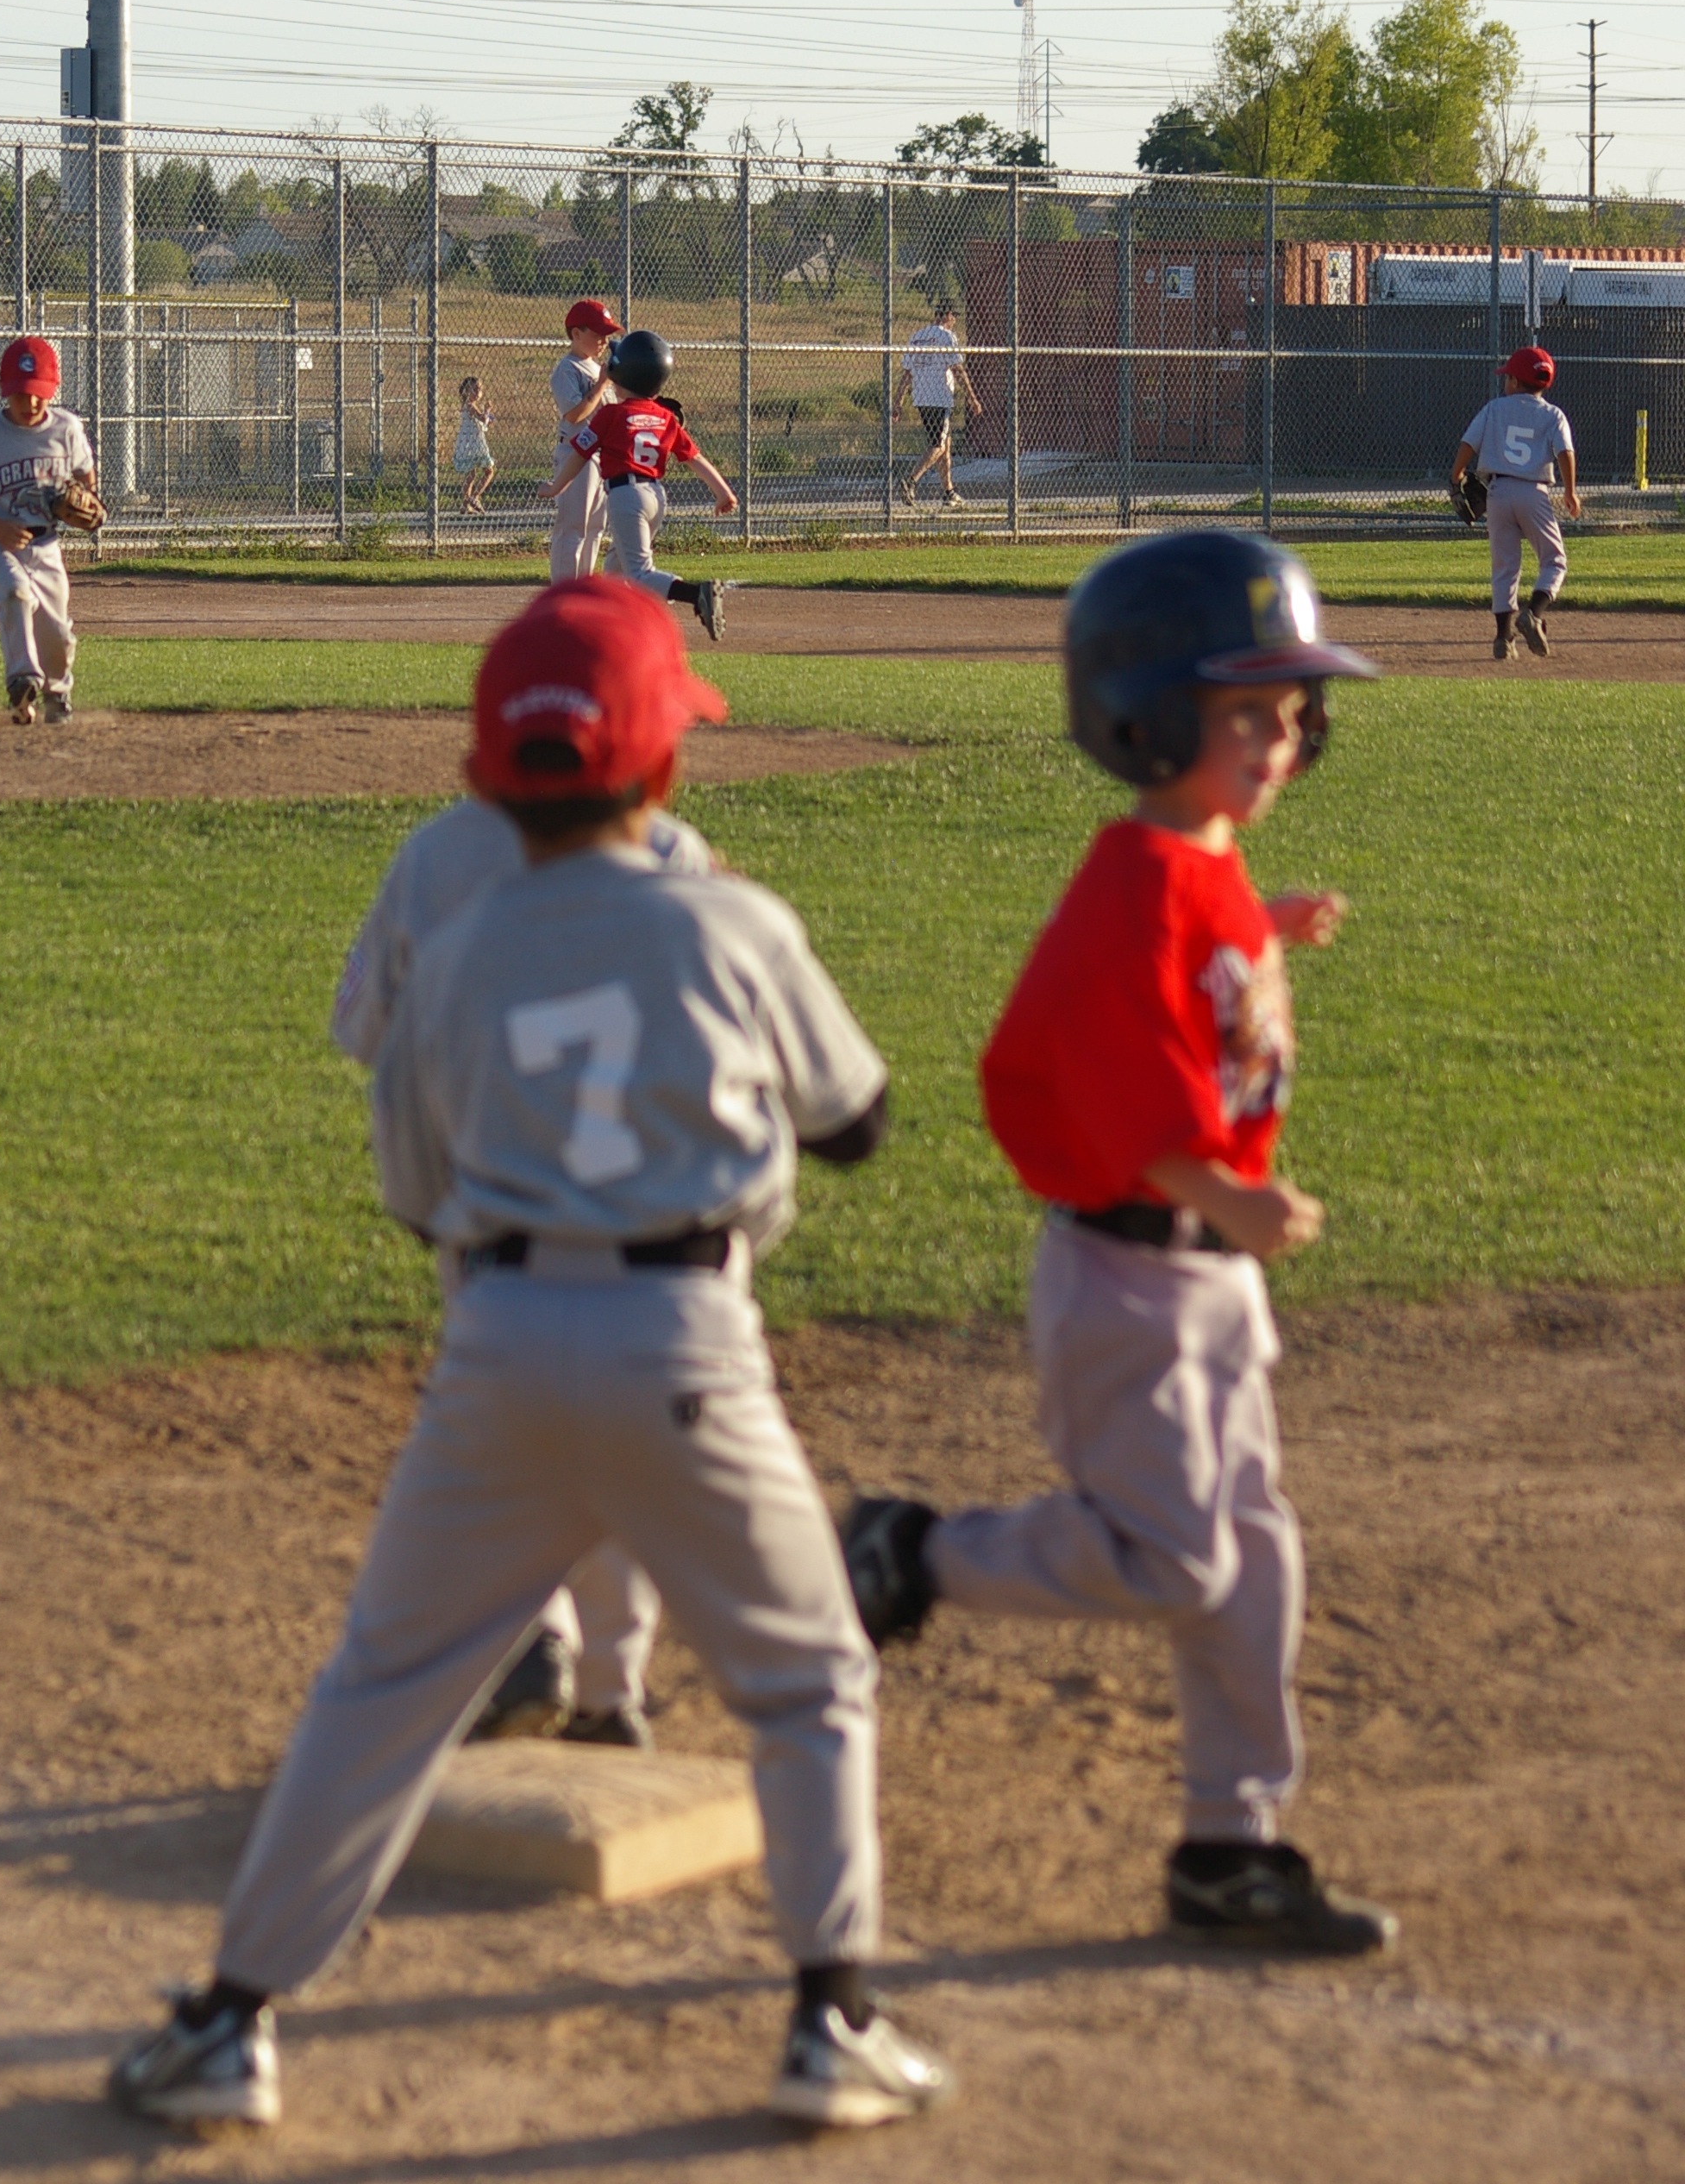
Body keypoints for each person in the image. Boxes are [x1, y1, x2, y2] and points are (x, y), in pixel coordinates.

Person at [110, 576, 954, 2136]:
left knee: (384, 1688)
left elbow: (414, 1189)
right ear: (665, 763)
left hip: (492, 1345)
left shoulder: (457, 947)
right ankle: (832, 2023)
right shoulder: (730, 918)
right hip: (689, 1342)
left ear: (489, 772)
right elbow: (862, 1124)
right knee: (808, 1675)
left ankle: (228, 2024)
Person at [843, 531, 1399, 1959]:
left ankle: (1232, 1846)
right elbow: (1105, 1079)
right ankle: (914, 1555)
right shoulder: (1135, 884)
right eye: (1245, 712)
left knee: (1255, 1563)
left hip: (1201, 1280)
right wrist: (1231, 1195)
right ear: (1147, 713)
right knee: (1176, 1562)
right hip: (1132, 1277)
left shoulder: (1200, 863)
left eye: (1292, 713)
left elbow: (1194, 950)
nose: (1280, 740)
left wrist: (1265, 925)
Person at [329, 750, 721, 1751]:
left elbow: (365, 1029)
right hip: (649, 1219)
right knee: (625, 1449)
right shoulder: (674, 852)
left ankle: (529, 1636)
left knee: (503, 1441)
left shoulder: (437, 856)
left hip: (489, 1206)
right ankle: (608, 1689)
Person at [550, 328, 734, 641]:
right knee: (615, 571)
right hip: (656, 497)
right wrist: (723, 492)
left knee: (639, 573)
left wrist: (555, 487)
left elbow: (580, 454)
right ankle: (610, 627)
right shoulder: (665, 416)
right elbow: (694, 458)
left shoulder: (610, 414)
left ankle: (697, 593)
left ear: (621, 373)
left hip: (626, 496)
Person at [0, 335, 99, 725]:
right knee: (15, 593)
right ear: (5, 390)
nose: (31, 403)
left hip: (46, 543)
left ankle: (57, 693)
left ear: (52, 389)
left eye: (39, 394)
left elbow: (86, 474)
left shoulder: (65, 428)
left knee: (56, 630)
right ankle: (21, 680)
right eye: (21, 394)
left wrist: (86, 497)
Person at [1449, 346, 1581, 660]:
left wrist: (1457, 474)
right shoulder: (1553, 414)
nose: (1505, 382)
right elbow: (1565, 452)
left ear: (1516, 382)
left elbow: (1468, 443)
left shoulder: (1494, 408)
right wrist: (1570, 491)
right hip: (1534, 493)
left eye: (1508, 377)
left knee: (1505, 566)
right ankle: (1533, 613)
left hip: (1498, 493)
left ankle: (1503, 639)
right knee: (1554, 560)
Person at [546, 296, 620, 581]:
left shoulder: (599, 369)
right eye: (598, 333)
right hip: (577, 454)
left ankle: (584, 590)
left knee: (595, 528)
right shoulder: (568, 369)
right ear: (576, 333)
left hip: (602, 456)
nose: (604, 340)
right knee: (573, 526)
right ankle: (564, 592)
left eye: (607, 334)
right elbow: (575, 415)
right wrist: (601, 384)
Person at [893, 303, 982, 510]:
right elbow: (958, 369)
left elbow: (907, 373)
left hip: (921, 397)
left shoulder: (917, 336)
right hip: (939, 398)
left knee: (945, 444)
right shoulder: (947, 336)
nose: (955, 320)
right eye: (954, 315)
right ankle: (911, 480)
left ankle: (948, 491)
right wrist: (972, 398)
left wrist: (899, 401)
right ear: (948, 315)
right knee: (939, 445)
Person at [453, 375, 494, 515]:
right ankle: (474, 497)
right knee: (488, 471)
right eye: (474, 389)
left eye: (479, 390)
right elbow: (481, 418)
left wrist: (487, 419)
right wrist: (487, 411)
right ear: (466, 391)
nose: (478, 393)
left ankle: (465, 505)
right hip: (473, 443)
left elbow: (482, 422)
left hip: (470, 442)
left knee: (471, 473)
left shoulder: (470, 406)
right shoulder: (469, 406)